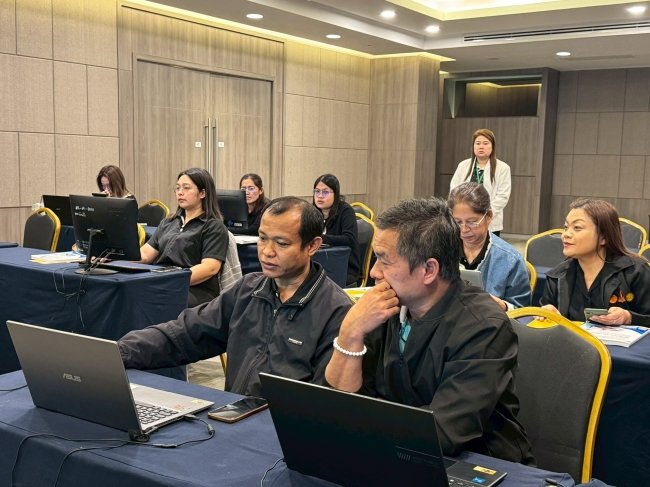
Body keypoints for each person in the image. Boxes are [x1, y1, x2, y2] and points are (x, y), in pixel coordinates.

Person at [325, 197, 533, 464]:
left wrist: (358, 423)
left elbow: (442, 431)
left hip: (476, 461)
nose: (374, 272)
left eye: (384, 261)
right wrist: (350, 333)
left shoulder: (484, 327)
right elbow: (335, 403)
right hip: (395, 450)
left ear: (429, 270)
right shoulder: (384, 310)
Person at [119, 197, 352, 397]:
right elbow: (184, 334)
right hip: (235, 417)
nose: (267, 251)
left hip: (284, 428)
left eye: (281, 243)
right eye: (262, 238)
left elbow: (325, 398)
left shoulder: (336, 311)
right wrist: (118, 352)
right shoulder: (248, 290)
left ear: (312, 246)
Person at [540, 198, 650, 326]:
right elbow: (544, 326)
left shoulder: (635, 272)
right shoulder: (557, 276)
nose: (566, 234)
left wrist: (629, 317)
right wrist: (547, 314)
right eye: (566, 227)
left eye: (577, 227)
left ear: (604, 237)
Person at [140, 168, 228, 308]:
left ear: (202, 193)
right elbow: (145, 254)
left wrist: (173, 280)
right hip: (162, 281)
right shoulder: (168, 222)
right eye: (177, 188)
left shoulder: (213, 227)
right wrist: (115, 258)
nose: (180, 192)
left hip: (194, 290)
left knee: (150, 300)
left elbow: (210, 267)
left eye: (186, 188)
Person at [448, 182, 530, 310]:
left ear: (489, 217)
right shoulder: (444, 249)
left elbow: (523, 312)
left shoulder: (510, 260)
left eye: (472, 222)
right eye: (457, 222)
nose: (464, 229)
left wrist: (504, 306)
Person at [450, 129, 511, 236]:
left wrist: (486, 214)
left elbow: (503, 196)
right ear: (473, 146)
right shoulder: (463, 165)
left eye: (485, 143)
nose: (481, 146)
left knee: (488, 246)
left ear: (492, 146)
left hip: (489, 220)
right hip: (465, 219)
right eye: (478, 143)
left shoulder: (503, 168)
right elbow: (454, 190)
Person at [313, 173, 360, 286]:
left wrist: (321, 239)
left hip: (344, 266)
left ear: (336, 194)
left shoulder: (345, 211)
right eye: (317, 191)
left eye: (325, 192)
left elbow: (349, 239)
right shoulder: (312, 211)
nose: (320, 196)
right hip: (320, 262)